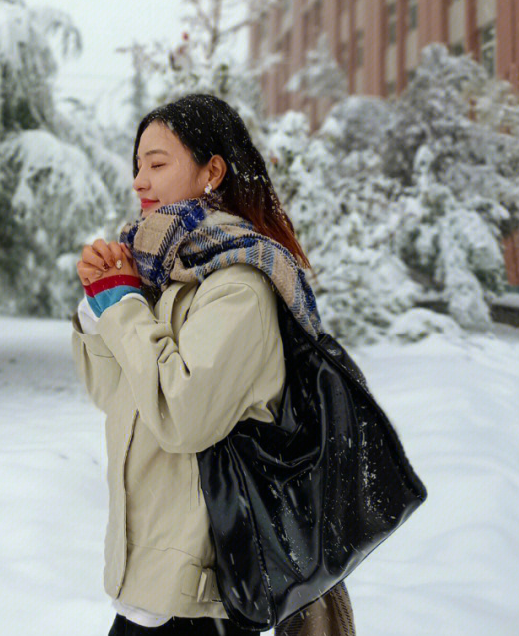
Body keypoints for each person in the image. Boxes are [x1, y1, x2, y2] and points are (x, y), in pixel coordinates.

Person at [71, 93, 355, 636]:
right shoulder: (167, 276)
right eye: (137, 166)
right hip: (153, 588)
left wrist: (125, 306)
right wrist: (99, 306)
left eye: (157, 163)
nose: (139, 180)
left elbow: (181, 414)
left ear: (212, 172)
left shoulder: (239, 286)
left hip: (209, 596)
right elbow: (119, 398)